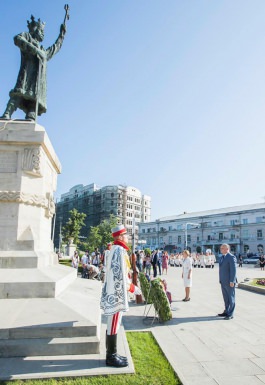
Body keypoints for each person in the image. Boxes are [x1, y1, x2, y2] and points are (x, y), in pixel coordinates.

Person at [1, 15, 66, 121]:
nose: (43, 33)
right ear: (35, 29)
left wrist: (61, 35)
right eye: (41, 30)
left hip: (37, 83)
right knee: (18, 93)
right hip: (26, 75)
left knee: (34, 101)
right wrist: (34, 49)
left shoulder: (43, 51)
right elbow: (17, 39)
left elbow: (54, 48)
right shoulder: (27, 37)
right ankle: (7, 113)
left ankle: (31, 115)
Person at [100, 224, 142, 368]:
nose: (128, 237)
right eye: (126, 235)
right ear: (119, 236)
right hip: (116, 294)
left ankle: (112, 353)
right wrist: (133, 289)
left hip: (115, 291)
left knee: (113, 324)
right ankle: (111, 356)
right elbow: (120, 276)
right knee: (114, 323)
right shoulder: (118, 251)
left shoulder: (117, 249)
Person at [218, 243, 237, 320]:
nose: (221, 249)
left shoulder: (231, 257)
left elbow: (233, 270)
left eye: (222, 248)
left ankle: (231, 314)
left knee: (231, 297)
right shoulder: (222, 257)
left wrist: (232, 280)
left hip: (230, 282)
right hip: (223, 281)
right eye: (221, 248)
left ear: (227, 249)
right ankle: (226, 311)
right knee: (225, 297)